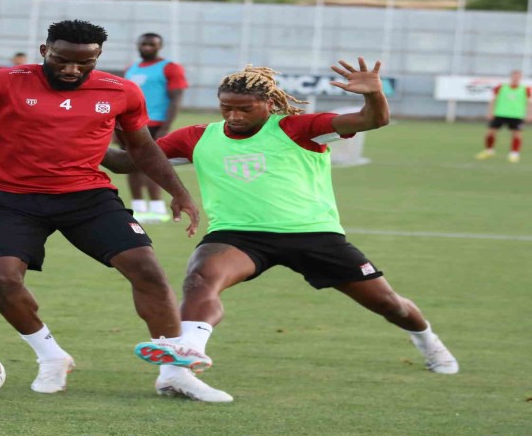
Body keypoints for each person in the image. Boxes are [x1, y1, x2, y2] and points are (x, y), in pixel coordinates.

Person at [103, 58, 459, 403]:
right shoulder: (197, 137)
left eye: (244, 109)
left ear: (269, 104)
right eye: (226, 108)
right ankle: (190, 348)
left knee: (388, 304)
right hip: (238, 235)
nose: (234, 116)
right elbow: (125, 162)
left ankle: (427, 340)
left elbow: (373, 120)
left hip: (313, 234)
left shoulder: (299, 128)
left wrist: (373, 95)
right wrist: (84, 135)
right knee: (200, 278)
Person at [0, 20, 211, 395]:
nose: (71, 70)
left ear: (99, 56)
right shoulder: (4, 81)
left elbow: (141, 148)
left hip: (88, 198)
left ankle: (174, 372)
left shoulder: (122, 90)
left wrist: (178, 191)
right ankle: (51, 357)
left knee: (147, 270)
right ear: (44, 51)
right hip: (11, 198)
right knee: (1, 279)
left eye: (85, 62)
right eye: (61, 60)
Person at [121, 33, 188, 223]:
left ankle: (157, 208)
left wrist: (166, 127)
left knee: (152, 165)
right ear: (138, 45)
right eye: (144, 44)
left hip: (155, 124)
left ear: (160, 46)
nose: (147, 47)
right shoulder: (130, 69)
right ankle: (138, 208)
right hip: (128, 124)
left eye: (152, 44)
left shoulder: (170, 68)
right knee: (130, 165)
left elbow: (176, 98)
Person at [475, 70, 530, 163]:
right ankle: (489, 151)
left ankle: (514, 154)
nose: (516, 78)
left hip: (516, 115)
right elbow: (493, 99)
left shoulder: (525, 88)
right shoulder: (501, 87)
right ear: (511, 77)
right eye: (514, 76)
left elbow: (529, 102)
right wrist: (490, 112)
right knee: (490, 133)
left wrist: (529, 114)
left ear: (520, 78)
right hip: (500, 113)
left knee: (517, 134)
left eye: (518, 76)